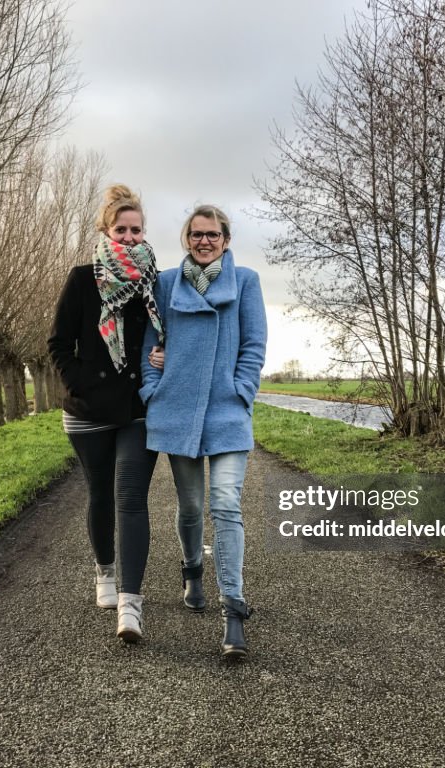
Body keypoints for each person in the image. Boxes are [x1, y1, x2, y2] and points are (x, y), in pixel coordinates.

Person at [140, 205, 267, 658]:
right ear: (186, 238)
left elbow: (254, 344)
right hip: (178, 411)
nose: (204, 241)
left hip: (228, 412)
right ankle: (192, 570)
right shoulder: (166, 283)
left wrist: (242, 390)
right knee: (191, 506)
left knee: (226, 504)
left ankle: (233, 606)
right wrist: (152, 388)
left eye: (213, 235)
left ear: (226, 239)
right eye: (196, 234)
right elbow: (149, 344)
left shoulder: (246, 281)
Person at [48, 184, 164, 643]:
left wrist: (163, 355)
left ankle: (131, 606)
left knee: (130, 497)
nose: (132, 237)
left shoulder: (155, 282)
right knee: (99, 492)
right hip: (87, 410)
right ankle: (105, 573)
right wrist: (82, 383)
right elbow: (58, 344)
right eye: (123, 229)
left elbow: (166, 334)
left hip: (137, 409)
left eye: (137, 229)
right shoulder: (82, 279)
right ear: (106, 231)